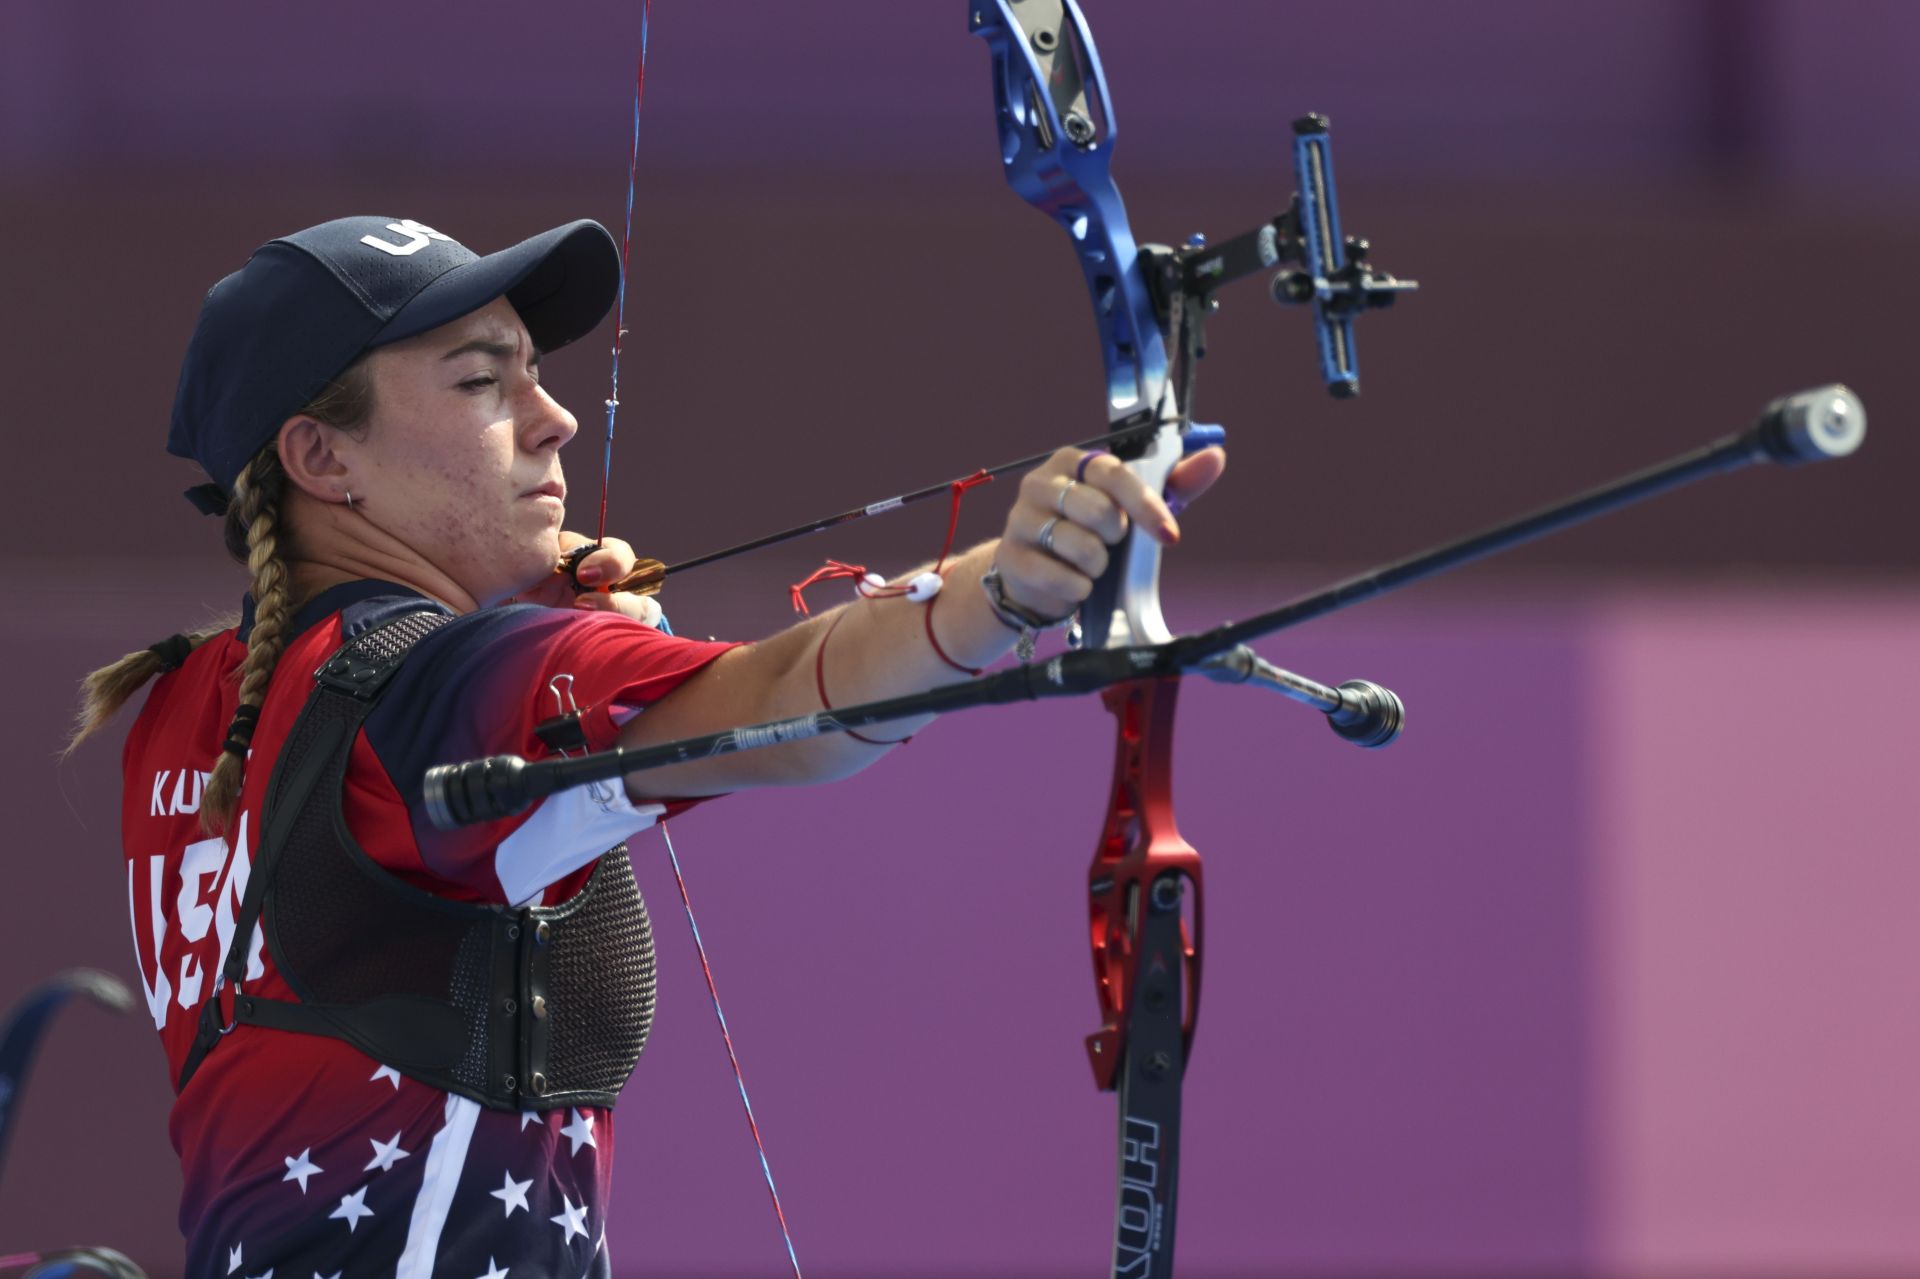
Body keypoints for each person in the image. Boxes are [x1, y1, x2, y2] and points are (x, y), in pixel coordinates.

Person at [68, 215, 1224, 1275]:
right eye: (481, 380)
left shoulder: (187, 699)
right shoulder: (443, 689)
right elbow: (783, 708)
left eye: (536, 370)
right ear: (324, 461)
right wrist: (1006, 591)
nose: (552, 417)